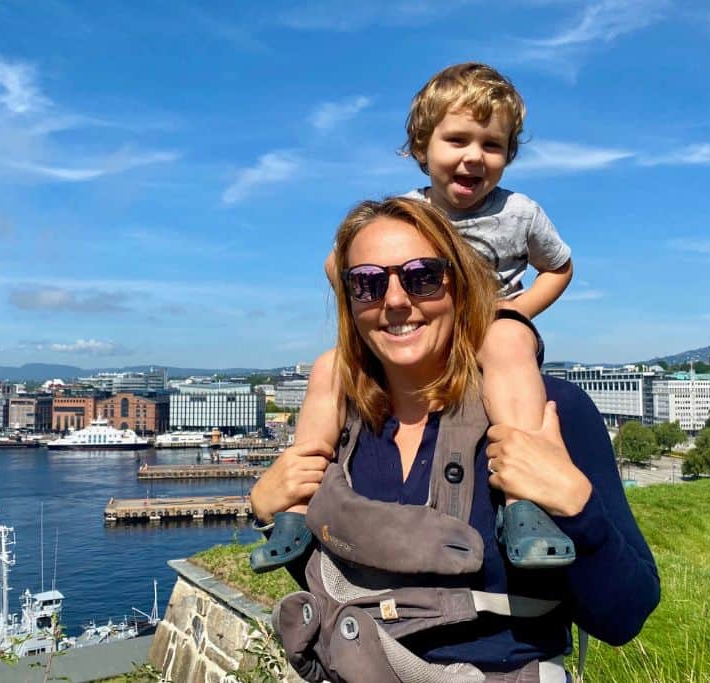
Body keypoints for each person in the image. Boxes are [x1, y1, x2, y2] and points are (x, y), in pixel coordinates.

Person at [249, 197, 658, 681]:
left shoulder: (552, 411)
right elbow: (344, 591)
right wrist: (267, 512)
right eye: (368, 283)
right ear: (349, 302)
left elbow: (624, 616)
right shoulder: (341, 427)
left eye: (423, 276)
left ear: (459, 285)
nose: (396, 300)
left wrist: (576, 505)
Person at [250, 62, 575, 573]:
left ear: (509, 154)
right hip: (423, 340)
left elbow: (559, 267)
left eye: (491, 145)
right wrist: (379, 315)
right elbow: (338, 264)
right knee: (327, 368)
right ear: (422, 150)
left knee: (508, 346)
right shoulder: (403, 212)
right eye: (457, 140)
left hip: (490, 330)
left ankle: (522, 500)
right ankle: (294, 497)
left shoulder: (521, 214)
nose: (473, 157)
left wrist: (516, 312)